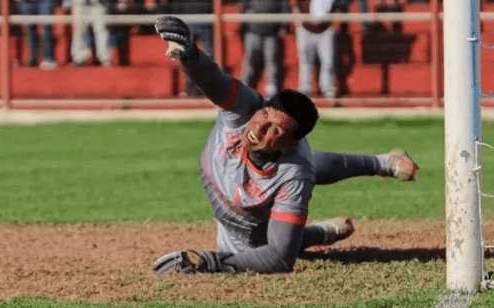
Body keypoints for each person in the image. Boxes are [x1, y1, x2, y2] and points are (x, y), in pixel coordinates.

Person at [152, 16, 418, 275]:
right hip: (216, 181)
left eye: (275, 130)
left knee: (267, 241)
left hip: (243, 222)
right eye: (264, 115)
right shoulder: (246, 106)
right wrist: (189, 55)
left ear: (291, 142)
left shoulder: (294, 173)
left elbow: (279, 258)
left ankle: (319, 232)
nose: (258, 129)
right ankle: (382, 163)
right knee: (310, 165)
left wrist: (210, 262)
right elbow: (214, 81)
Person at [157, 0, 213, 97]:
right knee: (189, 58)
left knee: (208, 57)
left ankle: (209, 89)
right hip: (188, 21)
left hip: (205, 21)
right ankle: (191, 90)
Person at [239, 0, 290, 99]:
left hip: (272, 32)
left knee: (271, 61)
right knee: (250, 61)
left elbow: (285, 8)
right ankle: (245, 88)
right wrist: (243, 24)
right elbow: (243, 8)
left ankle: (272, 87)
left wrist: (284, 26)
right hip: (252, 31)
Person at [290, 0, 337, 98]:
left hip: (325, 30)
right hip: (305, 30)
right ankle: (305, 89)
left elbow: (339, 5)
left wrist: (334, 24)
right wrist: (298, 23)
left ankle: (327, 89)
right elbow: (294, 5)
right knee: (305, 62)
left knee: (328, 62)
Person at [16, 0, 58, 69]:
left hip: (45, 1)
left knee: (47, 26)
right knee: (30, 27)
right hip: (26, 2)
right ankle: (33, 58)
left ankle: (48, 58)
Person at [70, 0, 111, 66]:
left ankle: (104, 58)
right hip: (79, 4)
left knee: (101, 31)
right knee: (78, 31)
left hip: (98, 4)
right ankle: (78, 58)